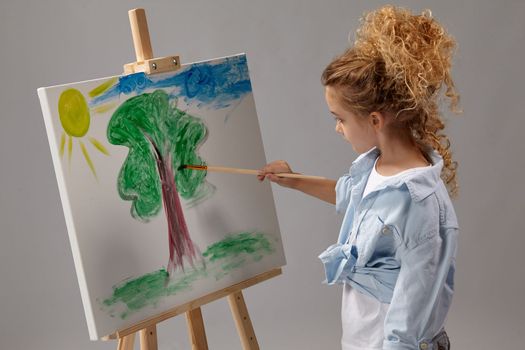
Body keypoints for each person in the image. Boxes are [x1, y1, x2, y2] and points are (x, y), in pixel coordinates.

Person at [258, 5, 460, 350]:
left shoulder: (418, 201)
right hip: (362, 337)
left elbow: (416, 300)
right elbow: (350, 194)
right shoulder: (377, 166)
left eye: (340, 118)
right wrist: (293, 180)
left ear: (376, 120)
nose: (337, 128)